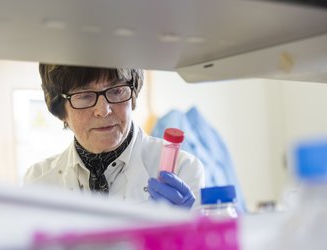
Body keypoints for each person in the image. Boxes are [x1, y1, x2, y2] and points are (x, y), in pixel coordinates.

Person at [24, 64, 205, 210]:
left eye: (116, 91)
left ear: (132, 94)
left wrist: (187, 238)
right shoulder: (38, 181)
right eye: (85, 96)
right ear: (59, 108)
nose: (104, 110)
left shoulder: (183, 169)